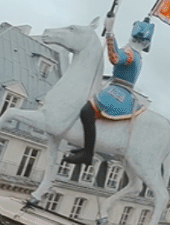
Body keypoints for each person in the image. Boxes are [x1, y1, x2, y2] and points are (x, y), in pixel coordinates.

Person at [62, 14, 154, 165]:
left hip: (118, 91)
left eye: (136, 38)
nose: (133, 40)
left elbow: (115, 58)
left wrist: (110, 31)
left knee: (87, 111)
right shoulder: (136, 54)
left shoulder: (130, 53)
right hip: (118, 88)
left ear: (140, 41)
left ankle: (88, 152)